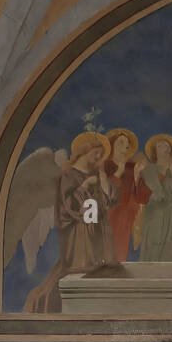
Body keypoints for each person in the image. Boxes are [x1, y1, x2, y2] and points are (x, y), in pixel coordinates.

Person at [24, 131, 118, 313]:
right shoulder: (69, 175)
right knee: (80, 268)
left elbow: (109, 201)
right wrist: (84, 187)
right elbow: (67, 205)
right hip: (79, 230)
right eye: (96, 152)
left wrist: (105, 183)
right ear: (85, 150)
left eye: (101, 153)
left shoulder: (97, 174)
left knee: (99, 269)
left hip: (98, 229)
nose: (99, 157)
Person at [139, 135, 172, 261]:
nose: (163, 148)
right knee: (154, 253)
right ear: (155, 151)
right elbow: (149, 192)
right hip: (156, 217)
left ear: (171, 150)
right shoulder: (149, 170)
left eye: (166, 146)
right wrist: (163, 173)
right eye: (160, 145)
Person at [105, 129, 150, 261]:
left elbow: (144, 198)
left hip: (127, 219)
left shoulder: (133, 167)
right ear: (112, 145)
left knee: (122, 255)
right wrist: (118, 173)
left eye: (127, 142)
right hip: (108, 216)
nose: (126, 145)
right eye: (121, 142)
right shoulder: (104, 165)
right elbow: (101, 194)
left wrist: (137, 177)